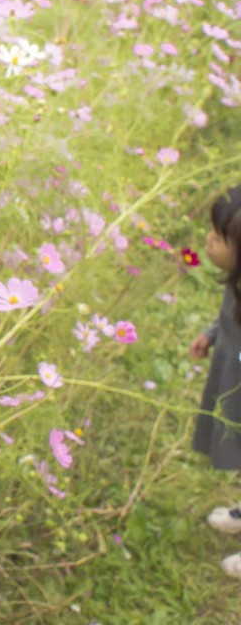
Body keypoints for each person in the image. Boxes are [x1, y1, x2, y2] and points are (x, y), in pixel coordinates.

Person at [191, 185, 241, 577]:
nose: (208, 241)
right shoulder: (236, 283)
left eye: (220, 237)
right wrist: (211, 334)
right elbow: (229, 315)